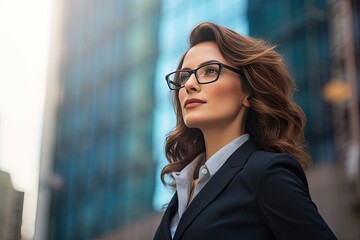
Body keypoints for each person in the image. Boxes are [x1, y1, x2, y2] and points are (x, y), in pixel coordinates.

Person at [154, 22, 337, 240]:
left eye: (210, 70)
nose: (189, 85)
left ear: (248, 92)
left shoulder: (267, 173)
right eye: (184, 76)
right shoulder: (183, 189)